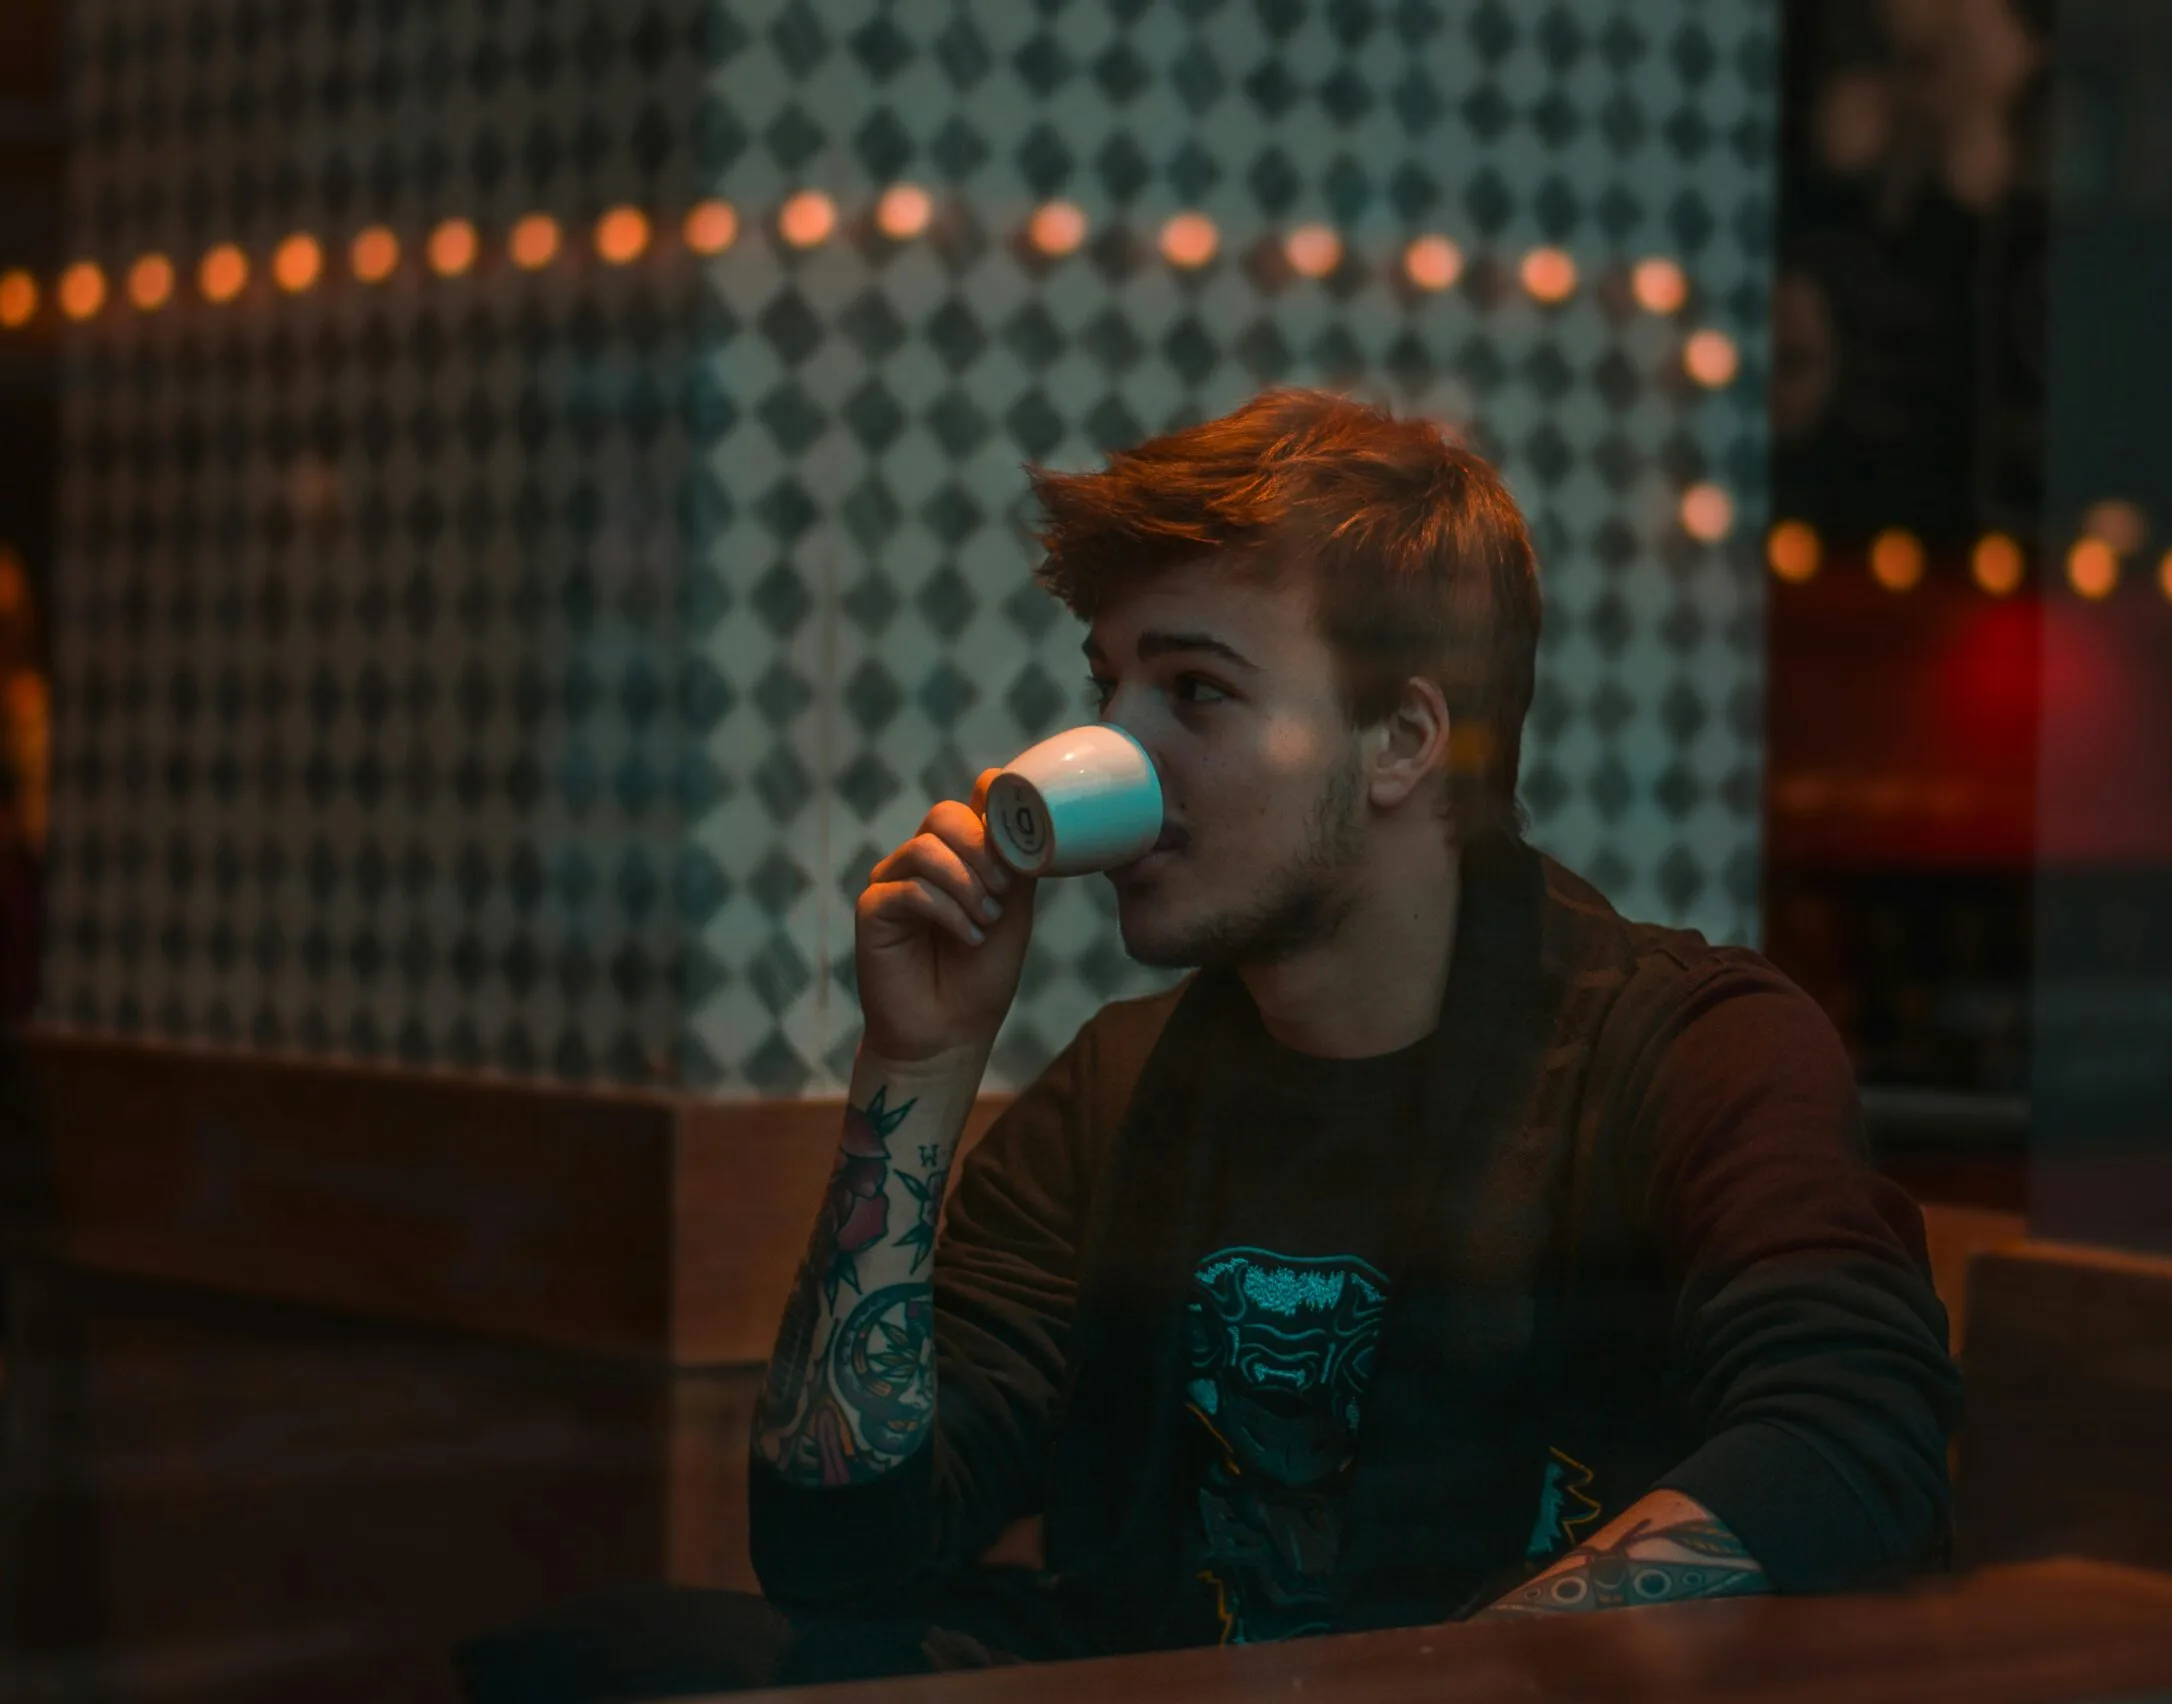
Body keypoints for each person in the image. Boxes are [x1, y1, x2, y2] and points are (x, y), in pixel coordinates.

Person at [457, 389, 1958, 1699]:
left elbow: (1849, 1439)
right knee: (624, 1658)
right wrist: (913, 1070)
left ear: (1402, 743)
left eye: (1194, 690)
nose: (1116, 741)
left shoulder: (1690, 1048)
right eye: (1103, 685)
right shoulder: (1121, 1091)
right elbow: (840, 1551)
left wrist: (1439, 1685)